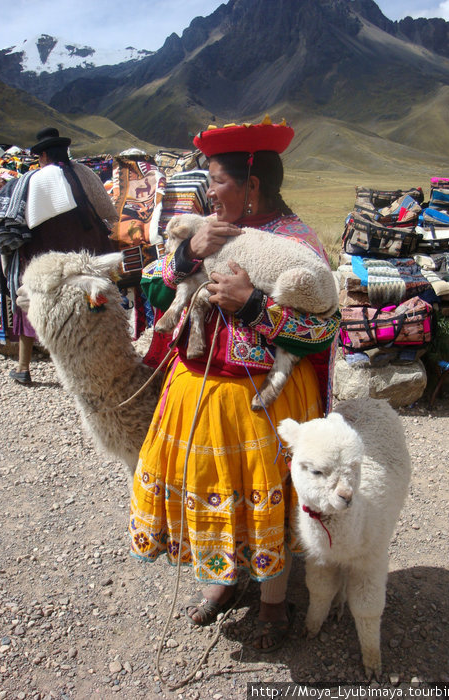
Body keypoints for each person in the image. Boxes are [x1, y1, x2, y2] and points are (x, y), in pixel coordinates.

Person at [128, 117, 340, 651]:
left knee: (262, 495)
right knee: (209, 488)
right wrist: (186, 255)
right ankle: (220, 577)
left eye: (217, 181)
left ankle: (272, 601)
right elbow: (156, 293)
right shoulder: (204, 229)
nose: (208, 191)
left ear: (252, 185)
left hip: (265, 397)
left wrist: (254, 307)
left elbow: (322, 329)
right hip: (195, 388)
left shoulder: (296, 244)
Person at [9, 127, 118, 385]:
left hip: (47, 257)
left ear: (43, 154)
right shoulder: (84, 173)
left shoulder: (33, 181)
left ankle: (24, 367)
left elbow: (22, 223)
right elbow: (106, 211)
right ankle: (97, 363)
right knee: (92, 303)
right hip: (86, 253)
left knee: (32, 301)